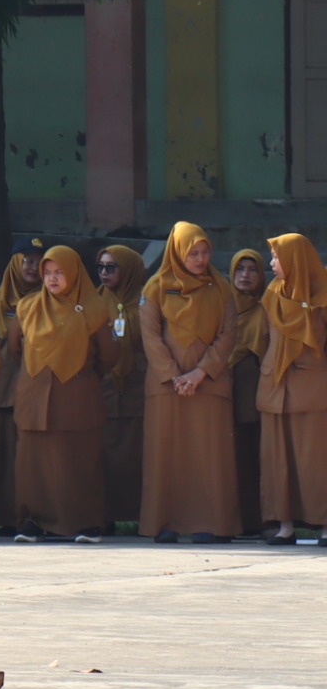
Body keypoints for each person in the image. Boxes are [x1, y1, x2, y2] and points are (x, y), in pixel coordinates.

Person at [139, 221, 240, 543]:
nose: (200, 259)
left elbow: (228, 335)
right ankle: (165, 522)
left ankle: (211, 523)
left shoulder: (221, 287)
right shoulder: (154, 287)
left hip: (208, 383)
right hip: (167, 386)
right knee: (166, 455)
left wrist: (199, 373)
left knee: (208, 456)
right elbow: (151, 337)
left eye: (204, 252)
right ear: (177, 253)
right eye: (192, 253)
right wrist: (172, 375)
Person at [6, 245, 112, 542]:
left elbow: (108, 356)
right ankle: (34, 522)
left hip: (76, 397)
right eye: (48, 273)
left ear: (74, 273)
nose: (52, 279)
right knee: (32, 464)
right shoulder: (27, 307)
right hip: (34, 398)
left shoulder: (93, 309)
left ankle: (85, 523)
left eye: (60, 273)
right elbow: (15, 348)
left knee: (77, 461)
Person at [257, 233, 327, 541]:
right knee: (277, 460)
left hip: (312, 388)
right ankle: (284, 526)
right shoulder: (272, 293)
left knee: (316, 460)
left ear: (294, 259)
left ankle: (324, 523)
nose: (272, 264)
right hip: (276, 387)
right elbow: (263, 339)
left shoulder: (322, 295)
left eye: (276, 257)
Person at [0, 242, 47, 533]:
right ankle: (5, 519)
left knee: (31, 459)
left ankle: (33, 516)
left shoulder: (50, 299)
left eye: (39, 262)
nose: (33, 268)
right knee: (1, 457)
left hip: (33, 387)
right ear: (14, 263)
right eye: (27, 261)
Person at [97, 244, 149, 525]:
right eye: (101, 267)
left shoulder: (146, 301)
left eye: (111, 267)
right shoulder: (93, 301)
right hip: (105, 392)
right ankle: (105, 517)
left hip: (137, 392)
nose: (104, 273)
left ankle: (141, 517)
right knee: (105, 457)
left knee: (137, 457)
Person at [229, 247, 267, 534]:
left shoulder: (265, 308)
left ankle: (258, 520)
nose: (245, 275)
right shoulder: (221, 307)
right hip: (221, 388)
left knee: (255, 455)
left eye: (252, 269)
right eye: (240, 269)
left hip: (254, 392)